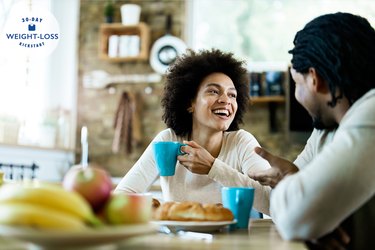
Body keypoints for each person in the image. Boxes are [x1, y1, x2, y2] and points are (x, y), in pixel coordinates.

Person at [249, 12, 375, 249]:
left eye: (297, 83)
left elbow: (293, 213)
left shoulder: (372, 112)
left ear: (315, 79)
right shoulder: (325, 132)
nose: (296, 96)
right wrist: (308, 214)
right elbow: (296, 213)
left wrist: (297, 197)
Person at [115, 48, 272, 215]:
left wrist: (213, 168)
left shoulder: (241, 142)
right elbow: (120, 197)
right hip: (181, 239)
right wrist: (156, 209)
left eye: (232, 95)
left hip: (235, 239)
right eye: (213, 91)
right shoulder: (169, 140)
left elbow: (273, 203)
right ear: (190, 103)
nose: (226, 100)